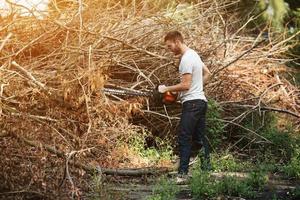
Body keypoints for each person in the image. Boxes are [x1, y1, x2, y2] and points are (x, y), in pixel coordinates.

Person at [158, 31, 212, 182]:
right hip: (201, 101)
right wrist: (197, 88)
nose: (170, 49)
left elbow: (186, 85)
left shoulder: (186, 59)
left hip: (193, 104)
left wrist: (166, 89)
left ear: (177, 41)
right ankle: (207, 170)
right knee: (200, 138)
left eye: (170, 46)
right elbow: (208, 74)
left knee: (184, 137)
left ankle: (182, 174)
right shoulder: (194, 54)